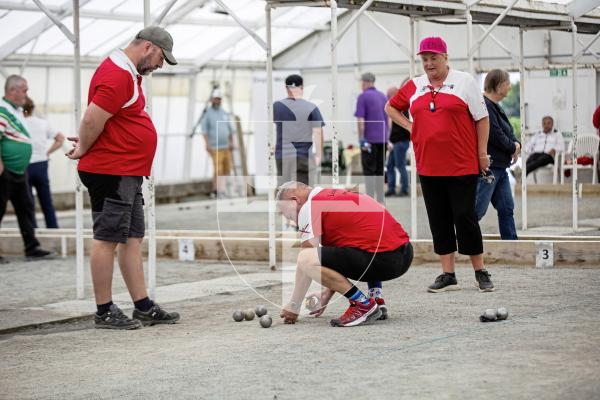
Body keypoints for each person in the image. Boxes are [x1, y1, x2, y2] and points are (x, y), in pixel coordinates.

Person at [66, 26, 180, 329]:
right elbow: (91, 117)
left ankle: (142, 306)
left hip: (125, 170)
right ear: (147, 47)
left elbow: (107, 119)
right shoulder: (118, 74)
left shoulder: (128, 72)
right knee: (107, 239)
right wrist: (84, 148)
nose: (159, 65)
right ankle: (104, 310)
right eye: (160, 58)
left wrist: (89, 142)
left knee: (132, 238)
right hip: (110, 171)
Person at [385, 36, 495, 293]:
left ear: (445, 58)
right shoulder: (415, 85)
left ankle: (480, 270)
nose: (429, 63)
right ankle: (448, 274)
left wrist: (481, 155)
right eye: (424, 59)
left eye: (434, 58)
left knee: (465, 216)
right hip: (428, 165)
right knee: (438, 219)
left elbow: (482, 119)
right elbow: (391, 107)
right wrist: (412, 128)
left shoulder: (464, 82)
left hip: (462, 164)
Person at [276, 181, 413, 327]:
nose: (291, 221)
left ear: (294, 201)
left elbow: (306, 259)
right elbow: (343, 256)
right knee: (358, 243)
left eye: (288, 215)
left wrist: (294, 305)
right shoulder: (334, 195)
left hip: (385, 259)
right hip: (403, 254)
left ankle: (363, 305)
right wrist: (326, 295)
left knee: (305, 258)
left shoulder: (308, 206)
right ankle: (376, 298)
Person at [0, 75, 54, 264]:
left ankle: (32, 247)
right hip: (5, 171)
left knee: (26, 208)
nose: (26, 94)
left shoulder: (17, 110)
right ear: (12, 90)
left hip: (20, 170)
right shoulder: (2, 109)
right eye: (24, 90)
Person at [475, 70, 520, 240]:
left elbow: (508, 130)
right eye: (508, 83)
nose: (509, 87)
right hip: (490, 167)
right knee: (477, 210)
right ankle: (460, 243)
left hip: (500, 167)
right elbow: (495, 134)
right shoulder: (485, 105)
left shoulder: (495, 106)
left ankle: (511, 243)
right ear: (499, 85)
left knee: (507, 208)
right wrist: (512, 147)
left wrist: (517, 145)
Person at [273, 74, 324, 186]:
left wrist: (274, 147)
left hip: (283, 155)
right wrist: (319, 155)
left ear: (286, 88)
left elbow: (271, 128)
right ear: (302, 87)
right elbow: (317, 132)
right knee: (303, 190)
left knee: (283, 191)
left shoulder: (277, 106)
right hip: (304, 155)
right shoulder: (311, 107)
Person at [22, 96, 64, 229]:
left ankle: (32, 231)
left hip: (25, 165)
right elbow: (60, 138)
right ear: (32, 108)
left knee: (28, 203)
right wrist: (48, 152)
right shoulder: (43, 123)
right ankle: (53, 229)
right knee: (47, 202)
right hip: (41, 163)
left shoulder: (18, 124)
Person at [355, 72, 388, 203]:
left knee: (369, 171)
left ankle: (370, 200)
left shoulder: (362, 97)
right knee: (380, 170)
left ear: (364, 82)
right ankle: (381, 199)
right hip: (383, 139)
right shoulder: (383, 96)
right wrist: (387, 136)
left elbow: (360, 119)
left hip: (369, 140)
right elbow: (389, 119)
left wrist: (361, 137)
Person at [200, 89, 234, 198]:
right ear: (212, 100)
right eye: (216, 99)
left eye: (219, 99)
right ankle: (215, 190)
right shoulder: (207, 114)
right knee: (218, 169)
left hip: (226, 147)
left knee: (226, 169)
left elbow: (230, 129)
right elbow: (204, 131)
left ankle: (223, 189)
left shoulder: (223, 112)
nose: (217, 101)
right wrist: (207, 144)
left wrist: (231, 142)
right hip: (215, 147)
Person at [385, 85, 410, 197]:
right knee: (390, 165)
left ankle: (404, 189)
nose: (387, 97)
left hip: (400, 142)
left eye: (389, 95)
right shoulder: (394, 107)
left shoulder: (402, 108)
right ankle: (391, 188)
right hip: (395, 142)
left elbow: (399, 128)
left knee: (400, 165)